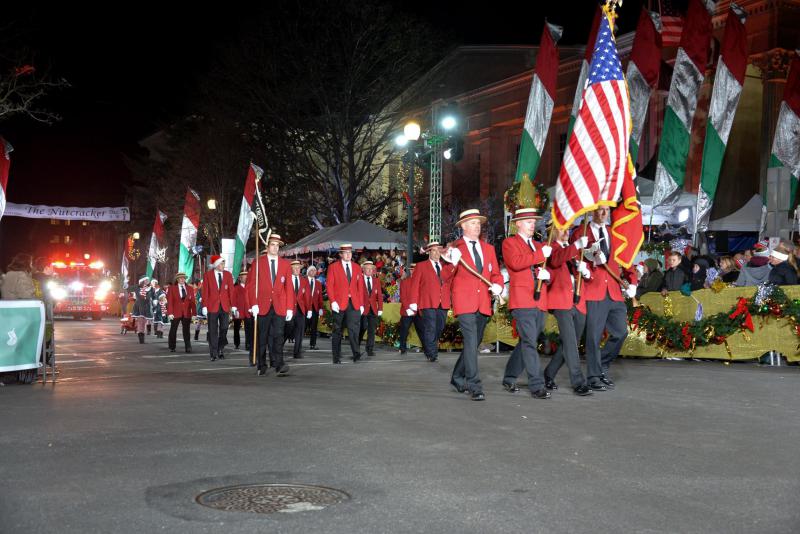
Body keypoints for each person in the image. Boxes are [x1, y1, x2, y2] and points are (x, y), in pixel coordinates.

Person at [572, 206, 637, 391]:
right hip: (593, 289)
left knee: (620, 332)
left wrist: (632, 281)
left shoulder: (614, 232)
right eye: (600, 210)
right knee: (593, 336)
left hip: (615, 291)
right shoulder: (581, 232)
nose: (603, 214)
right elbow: (573, 257)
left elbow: (626, 258)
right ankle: (593, 376)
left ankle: (602, 367)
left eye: (606, 210)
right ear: (592, 211)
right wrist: (587, 265)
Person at [442, 209, 504, 401]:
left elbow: (496, 274)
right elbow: (444, 277)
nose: (476, 226)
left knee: (473, 343)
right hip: (465, 302)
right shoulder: (454, 248)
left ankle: (457, 377)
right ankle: (474, 385)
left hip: (483, 302)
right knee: (471, 342)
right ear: (462, 226)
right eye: (472, 223)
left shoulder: (489, 249)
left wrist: (498, 286)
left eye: (478, 223)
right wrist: (452, 262)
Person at [500, 208, 555, 399]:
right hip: (522, 300)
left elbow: (548, 268)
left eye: (534, 221)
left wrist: (547, 276)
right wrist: (541, 256)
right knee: (530, 341)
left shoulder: (539, 245)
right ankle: (536, 384)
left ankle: (509, 376)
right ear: (518, 224)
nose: (533, 224)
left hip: (539, 301)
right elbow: (516, 262)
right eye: (529, 221)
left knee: (527, 340)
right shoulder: (510, 243)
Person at [541, 225, 593, 396]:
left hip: (578, 301)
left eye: (568, 230)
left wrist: (585, 273)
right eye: (562, 229)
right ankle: (578, 381)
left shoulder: (572, 249)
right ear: (552, 231)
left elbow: (585, 275)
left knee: (570, 344)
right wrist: (576, 246)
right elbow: (556, 260)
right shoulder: (550, 247)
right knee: (570, 342)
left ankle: (548, 374)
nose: (566, 232)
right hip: (561, 301)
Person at [245, 233, 294, 376]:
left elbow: (289, 287)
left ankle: (279, 364)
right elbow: (251, 285)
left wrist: (290, 307)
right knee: (262, 336)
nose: (275, 248)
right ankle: (261, 364)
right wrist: (253, 304)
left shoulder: (285, 264)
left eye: (277, 245)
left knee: (278, 335)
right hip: (262, 305)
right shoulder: (258, 262)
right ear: (267, 246)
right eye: (272, 245)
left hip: (280, 306)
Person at [409, 242, 453, 362]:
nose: (437, 253)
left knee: (440, 327)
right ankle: (431, 353)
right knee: (431, 327)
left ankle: (430, 347)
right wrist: (413, 301)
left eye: (439, 251)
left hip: (443, 302)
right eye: (434, 251)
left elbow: (451, 283)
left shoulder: (447, 267)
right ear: (429, 252)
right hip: (427, 302)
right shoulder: (421, 266)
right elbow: (414, 285)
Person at [326, 243, 366, 363]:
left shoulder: (357, 267)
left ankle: (356, 354)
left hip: (354, 303)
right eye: (346, 253)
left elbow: (360, 287)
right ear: (340, 254)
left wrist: (362, 303)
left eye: (350, 253)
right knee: (337, 330)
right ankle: (336, 357)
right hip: (339, 303)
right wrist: (333, 301)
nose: (348, 255)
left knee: (354, 330)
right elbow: (329, 286)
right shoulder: (333, 267)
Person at [201, 255, 237, 361]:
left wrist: (233, 305)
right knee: (212, 330)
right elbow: (205, 292)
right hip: (212, 306)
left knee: (224, 328)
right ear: (216, 265)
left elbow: (231, 291)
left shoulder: (228, 275)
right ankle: (214, 352)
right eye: (221, 263)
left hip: (225, 306)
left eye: (224, 263)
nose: (223, 265)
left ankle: (220, 348)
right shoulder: (208, 275)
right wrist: (204, 306)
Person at [285, 260, 311, 359]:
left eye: (299, 268)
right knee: (286, 330)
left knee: (300, 332)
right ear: (291, 269)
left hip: (300, 309)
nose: (297, 270)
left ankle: (297, 352)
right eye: (295, 268)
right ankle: (278, 349)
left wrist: (309, 309)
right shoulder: (286, 279)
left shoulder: (304, 280)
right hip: (289, 309)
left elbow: (307, 296)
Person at [358, 260, 383, 358]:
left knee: (372, 330)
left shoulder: (376, 280)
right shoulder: (359, 279)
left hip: (373, 309)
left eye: (371, 269)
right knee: (362, 328)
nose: (369, 271)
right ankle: (356, 347)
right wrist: (359, 306)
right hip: (362, 309)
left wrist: (380, 308)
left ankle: (369, 349)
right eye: (367, 269)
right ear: (363, 270)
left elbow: (380, 296)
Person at [166, 272, 195, 353]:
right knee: (173, 329)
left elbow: (192, 302)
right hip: (175, 312)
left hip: (186, 312)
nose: (182, 279)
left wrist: (194, 314)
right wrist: (170, 313)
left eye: (183, 278)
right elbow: (170, 301)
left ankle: (188, 346)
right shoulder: (172, 288)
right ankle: (172, 346)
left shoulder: (190, 288)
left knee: (186, 330)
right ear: (177, 279)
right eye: (180, 278)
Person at [398, 264, 422, 355]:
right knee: (404, 330)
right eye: (412, 269)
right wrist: (408, 308)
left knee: (422, 330)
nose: (413, 271)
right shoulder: (404, 282)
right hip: (407, 311)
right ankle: (402, 348)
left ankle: (427, 348)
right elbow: (403, 296)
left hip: (418, 311)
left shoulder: (421, 283)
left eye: (415, 269)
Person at [231, 270, 253, 355]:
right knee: (236, 328)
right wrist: (234, 308)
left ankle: (248, 344)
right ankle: (237, 343)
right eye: (244, 277)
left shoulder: (249, 287)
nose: (246, 278)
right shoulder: (236, 288)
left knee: (248, 329)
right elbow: (233, 298)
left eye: (247, 277)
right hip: (239, 311)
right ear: (240, 278)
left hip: (247, 311)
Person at [306, 265, 324, 350]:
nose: (314, 272)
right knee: (303, 326)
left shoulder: (318, 283)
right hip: (305, 308)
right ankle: (296, 343)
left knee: (314, 327)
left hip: (315, 308)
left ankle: (312, 344)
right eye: (312, 270)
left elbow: (320, 296)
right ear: (308, 272)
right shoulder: (304, 281)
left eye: (315, 270)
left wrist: (320, 308)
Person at [131, 276, 153, 344]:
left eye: (148, 280)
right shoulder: (137, 288)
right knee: (141, 322)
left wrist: (155, 301)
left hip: (147, 307)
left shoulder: (150, 289)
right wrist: (125, 282)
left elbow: (154, 296)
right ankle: (141, 338)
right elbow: (127, 288)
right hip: (139, 306)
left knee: (144, 322)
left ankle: (142, 334)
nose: (148, 281)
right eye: (146, 280)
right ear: (143, 281)